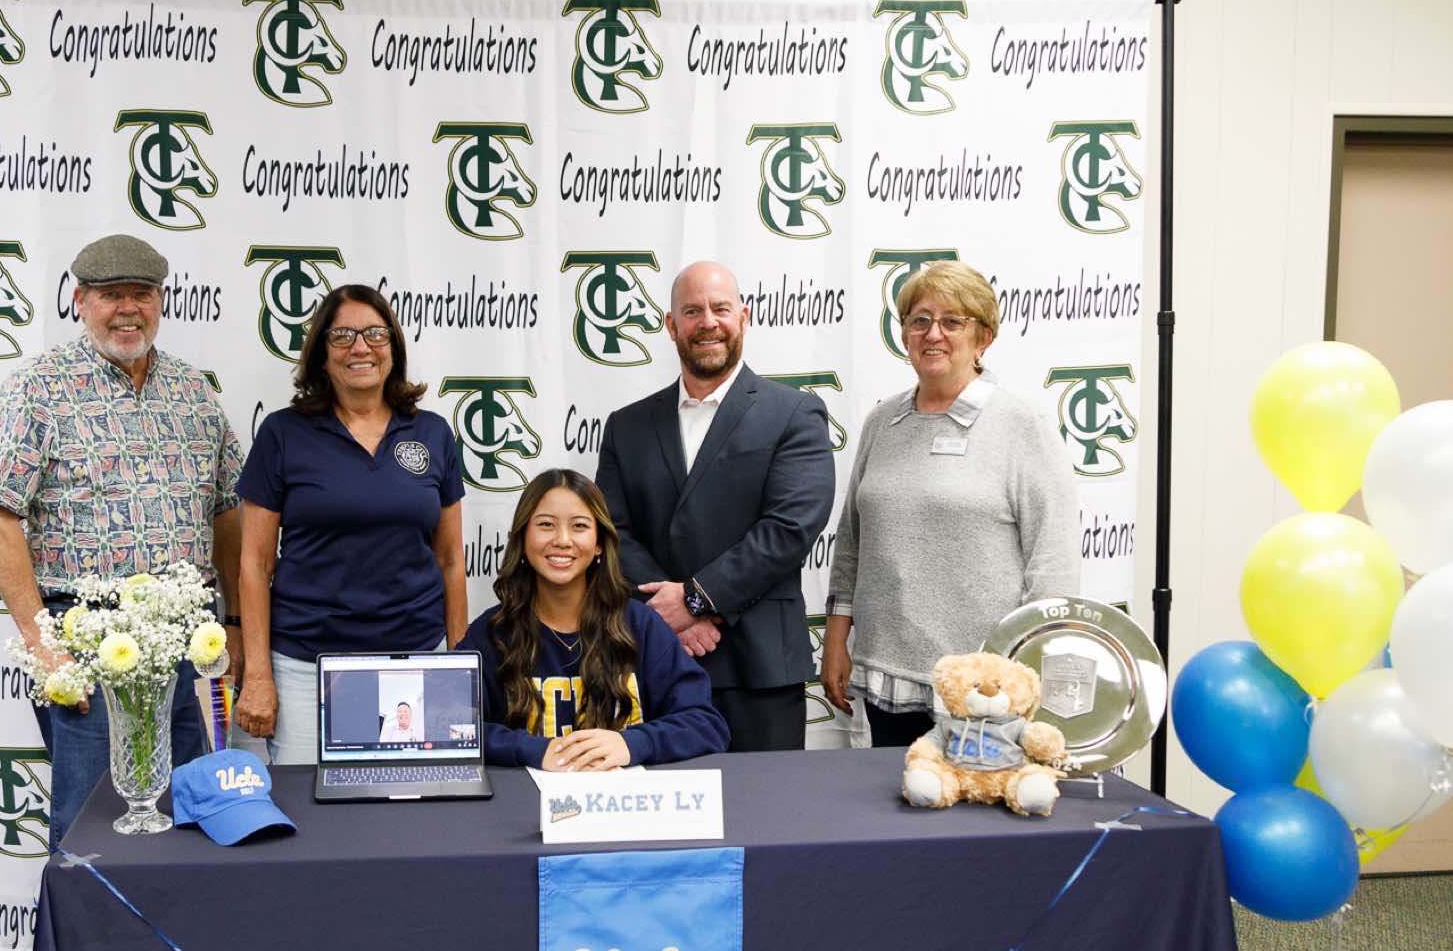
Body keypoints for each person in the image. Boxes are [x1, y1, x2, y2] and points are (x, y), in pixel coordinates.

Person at [0, 234, 243, 849]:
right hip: (86, 641)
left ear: (161, 300)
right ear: (79, 301)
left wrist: (232, 622)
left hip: (185, 637)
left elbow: (228, 508)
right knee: (92, 825)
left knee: (189, 813)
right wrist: (43, 644)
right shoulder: (38, 388)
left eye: (141, 294)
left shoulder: (193, 393)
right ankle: (87, 918)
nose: (128, 309)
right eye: (109, 295)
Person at [821, 260, 1079, 747]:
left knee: (980, 796)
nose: (933, 333)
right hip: (887, 679)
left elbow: (1053, 561)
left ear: (984, 338)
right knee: (900, 794)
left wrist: (1023, 670)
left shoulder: (1022, 424)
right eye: (919, 320)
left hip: (984, 688)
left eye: (952, 321)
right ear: (904, 335)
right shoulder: (882, 422)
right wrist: (836, 638)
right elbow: (852, 542)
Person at [594, 260, 835, 752]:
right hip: (656, 659)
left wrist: (696, 599)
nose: (708, 322)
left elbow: (789, 528)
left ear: (743, 317)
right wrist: (667, 614)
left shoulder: (793, 413)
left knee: (766, 800)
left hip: (759, 667)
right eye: (692, 311)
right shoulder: (627, 425)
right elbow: (612, 531)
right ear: (671, 325)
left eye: (721, 309)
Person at [234, 285, 468, 763]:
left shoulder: (432, 433)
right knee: (307, 803)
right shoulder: (282, 434)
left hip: (415, 659)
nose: (360, 347)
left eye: (375, 334)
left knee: (410, 799)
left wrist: (461, 666)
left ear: (393, 348)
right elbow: (254, 565)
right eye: (342, 336)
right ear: (322, 355)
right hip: (306, 666)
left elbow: (450, 560)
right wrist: (257, 675)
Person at [459, 469, 727, 769]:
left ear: (599, 543)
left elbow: (706, 724)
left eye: (579, 526)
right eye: (546, 525)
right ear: (522, 538)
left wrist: (632, 743)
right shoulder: (491, 633)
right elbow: (448, 728)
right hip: (523, 797)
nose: (562, 540)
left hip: (624, 797)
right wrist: (533, 750)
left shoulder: (640, 626)